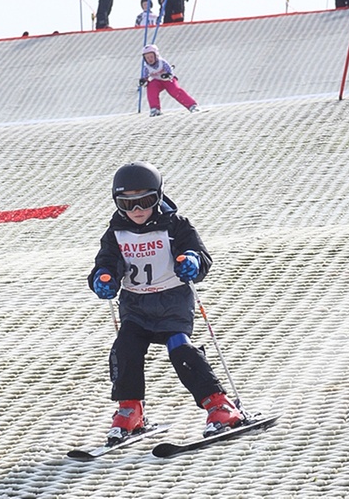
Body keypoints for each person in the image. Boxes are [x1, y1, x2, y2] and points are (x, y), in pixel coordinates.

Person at [88, 161, 244, 442]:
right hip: (135, 306)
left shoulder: (175, 225)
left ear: (158, 197)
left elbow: (198, 253)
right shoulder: (115, 233)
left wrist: (192, 261)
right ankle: (130, 409)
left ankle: (219, 404)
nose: (137, 211)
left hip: (172, 303)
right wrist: (104, 277)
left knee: (181, 351)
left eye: (145, 202)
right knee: (125, 349)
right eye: (127, 204)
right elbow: (106, 262)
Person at [138, 44, 198, 117]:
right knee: (151, 88)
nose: (149, 59)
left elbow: (170, 72)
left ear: (156, 55)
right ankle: (155, 109)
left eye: (151, 56)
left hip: (167, 80)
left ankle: (192, 105)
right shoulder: (146, 67)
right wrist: (144, 82)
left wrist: (168, 75)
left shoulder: (162, 62)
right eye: (147, 58)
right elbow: (145, 77)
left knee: (175, 91)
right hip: (157, 81)